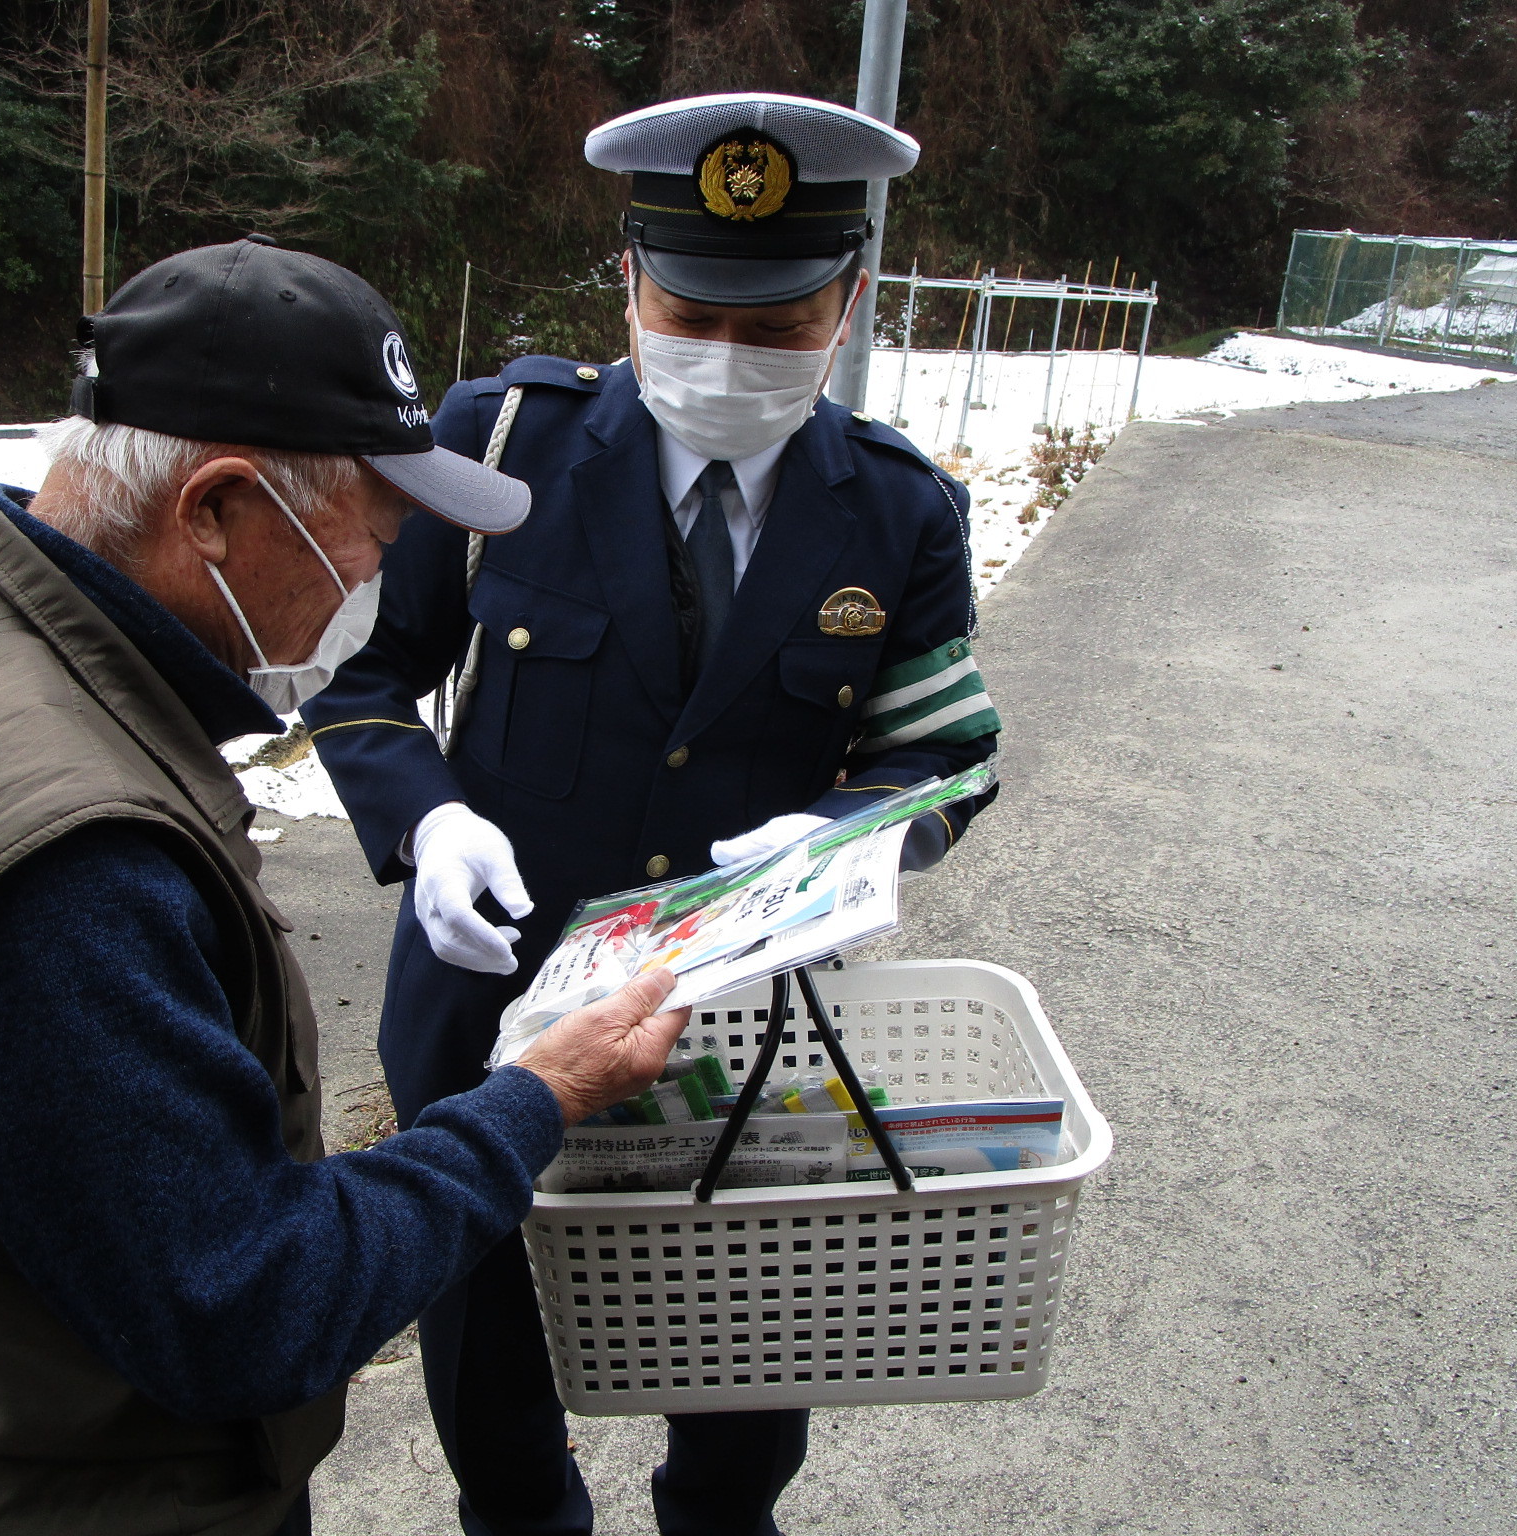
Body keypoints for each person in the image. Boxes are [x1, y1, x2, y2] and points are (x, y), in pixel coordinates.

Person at [0, 237, 695, 1536]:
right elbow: (249, 1304)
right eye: (376, 520)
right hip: (91, 1498)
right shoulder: (62, 860)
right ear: (216, 511)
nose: (379, 569)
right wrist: (538, 1098)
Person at [302, 94, 1002, 1536]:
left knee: (751, 1329)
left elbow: (942, 755)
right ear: (626, 280)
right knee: (485, 1319)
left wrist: (851, 834)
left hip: (744, 1015)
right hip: (493, 999)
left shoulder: (897, 513)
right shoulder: (498, 444)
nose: (730, 358)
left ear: (852, 300)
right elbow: (366, 681)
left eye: (781, 324)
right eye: (693, 312)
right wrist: (425, 818)